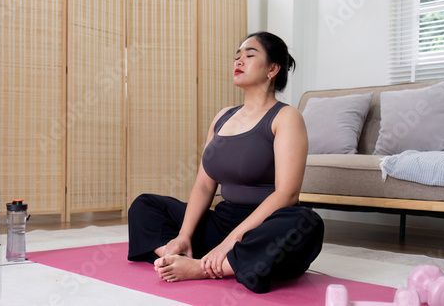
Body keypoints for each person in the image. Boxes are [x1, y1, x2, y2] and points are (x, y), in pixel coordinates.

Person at [127, 31, 325, 294]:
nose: (238, 61)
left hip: (264, 226)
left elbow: (287, 194)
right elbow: (204, 184)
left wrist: (230, 242)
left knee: (306, 223)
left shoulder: (286, 117)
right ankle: (180, 256)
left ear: (273, 69)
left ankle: (202, 266)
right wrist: (184, 236)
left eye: (249, 55)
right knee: (145, 206)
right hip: (222, 221)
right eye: (236, 56)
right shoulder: (222, 117)